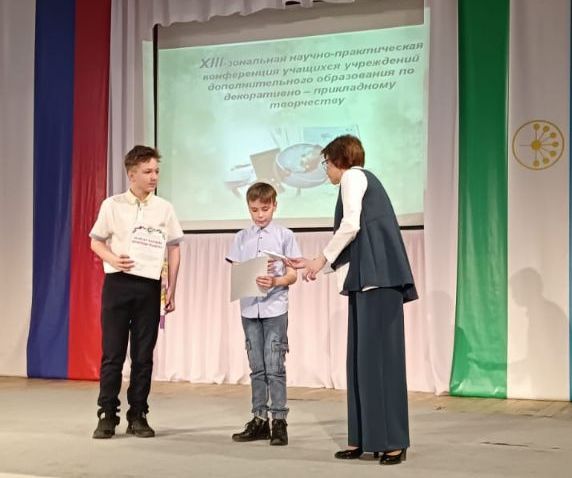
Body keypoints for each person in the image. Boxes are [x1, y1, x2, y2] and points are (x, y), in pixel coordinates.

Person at [287, 135, 417, 465]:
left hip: (379, 280)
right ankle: (362, 437)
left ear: (339, 161)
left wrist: (320, 259)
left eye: (326, 163)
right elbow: (354, 238)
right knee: (361, 363)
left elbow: (350, 225)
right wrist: (317, 263)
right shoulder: (357, 180)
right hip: (366, 281)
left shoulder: (353, 177)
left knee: (382, 362)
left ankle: (392, 441)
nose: (326, 170)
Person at [89, 145, 184, 439]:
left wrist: (172, 287)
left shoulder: (164, 208)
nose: (154, 176)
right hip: (118, 284)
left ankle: (138, 414)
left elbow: (174, 247)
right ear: (132, 174)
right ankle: (107, 414)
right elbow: (95, 241)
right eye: (147, 171)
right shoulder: (112, 205)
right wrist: (112, 258)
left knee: (143, 355)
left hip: (149, 286)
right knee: (113, 354)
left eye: (156, 171)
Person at [226, 182, 301, 446]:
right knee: (256, 366)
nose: (260, 215)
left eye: (265, 209)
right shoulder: (241, 238)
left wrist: (276, 281)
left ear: (274, 206)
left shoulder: (284, 235)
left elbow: (293, 274)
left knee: (274, 365)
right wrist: (247, 274)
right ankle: (259, 418)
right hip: (249, 308)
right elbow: (236, 270)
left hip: (275, 307)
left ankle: (279, 420)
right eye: (254, 209)